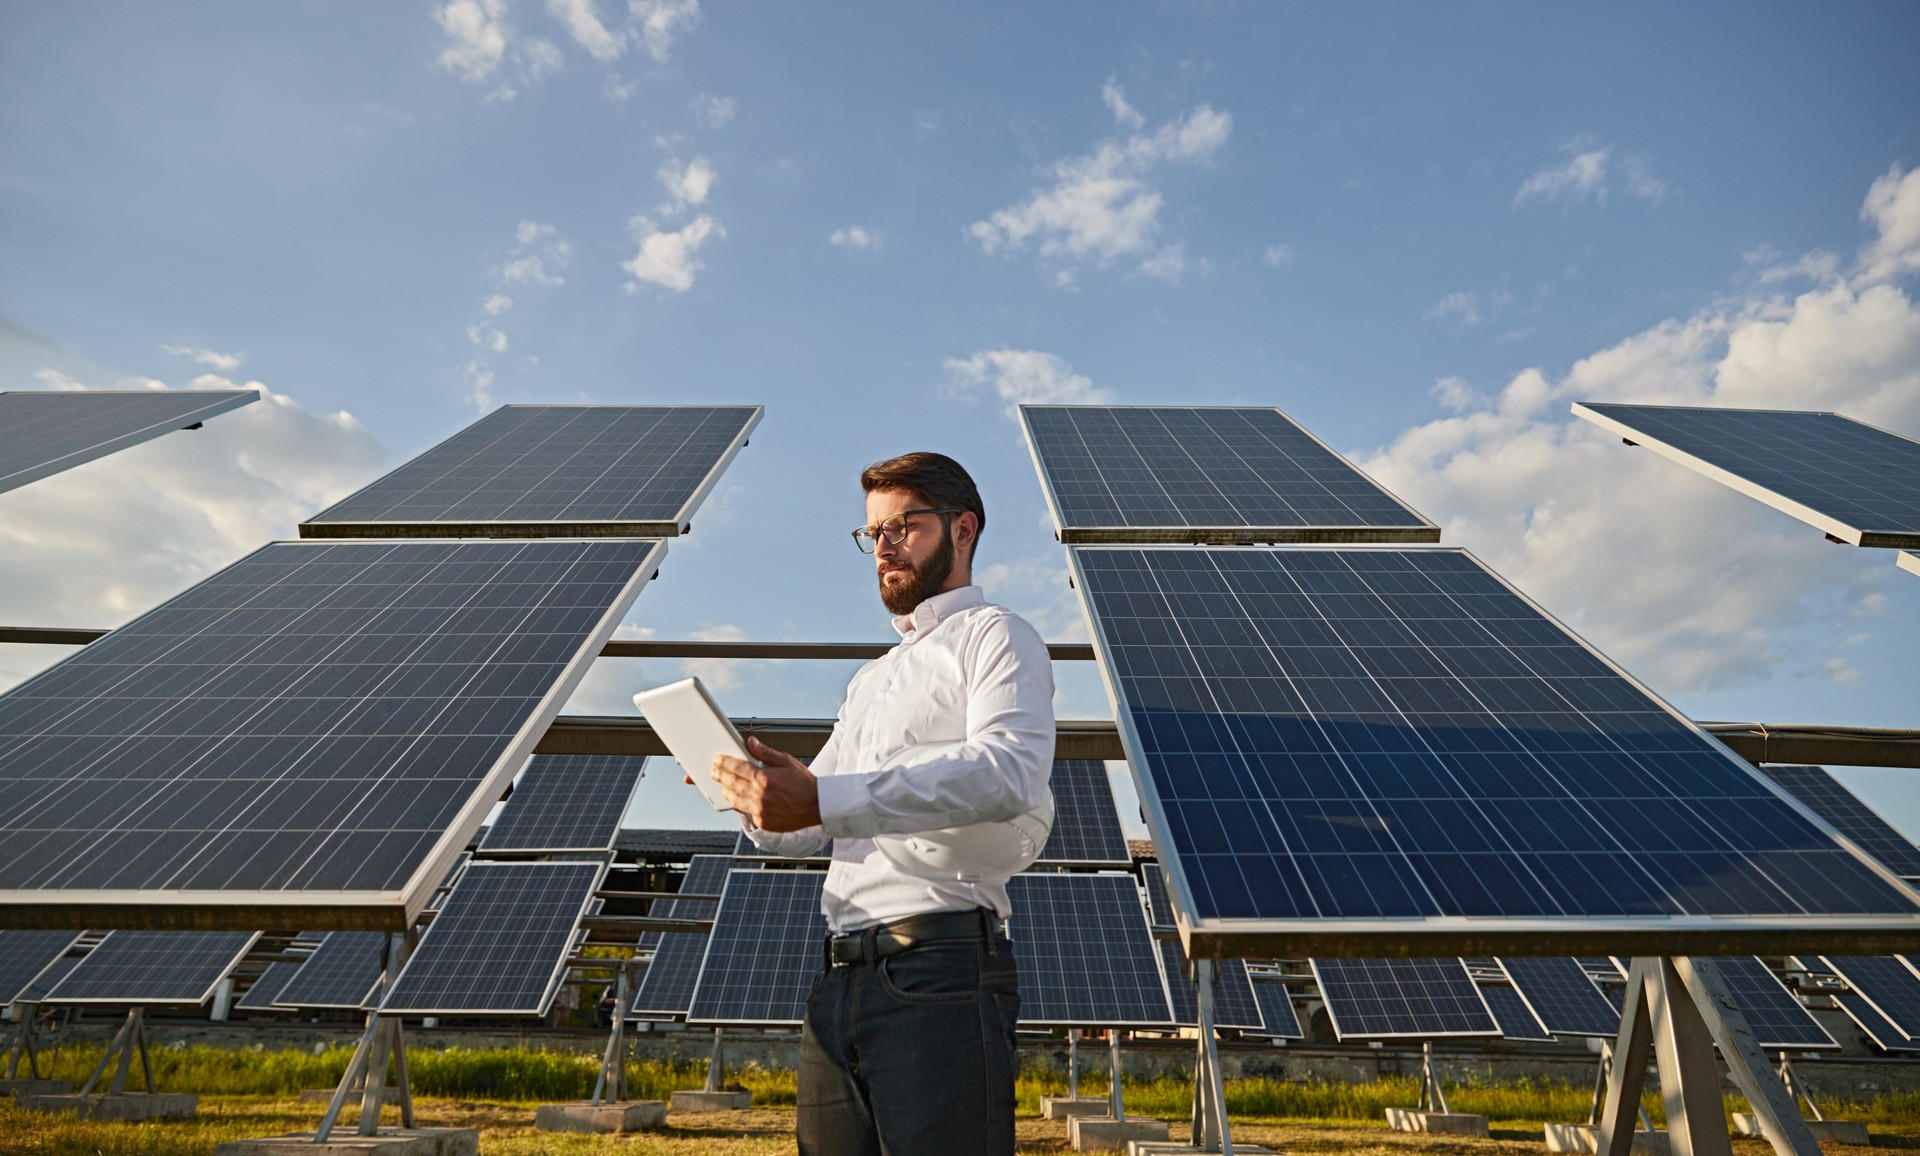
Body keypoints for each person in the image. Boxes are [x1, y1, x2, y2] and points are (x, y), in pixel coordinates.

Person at [706, 451, 1056, 1156]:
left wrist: (823, 797)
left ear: (962, 530)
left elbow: (1009, 773)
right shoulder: (872, 679)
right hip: (839, 981)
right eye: (873, 534)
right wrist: (754, 798)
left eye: (904, 526)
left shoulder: (995, 636)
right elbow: (805, 829)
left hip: (939, 974)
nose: (884, 546)